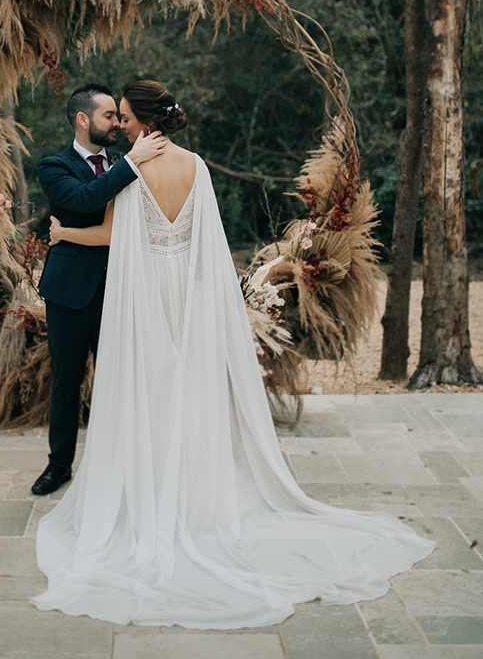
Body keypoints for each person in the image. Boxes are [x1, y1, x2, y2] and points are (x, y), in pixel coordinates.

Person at [31, 80, 434, 628]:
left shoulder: (131, 170)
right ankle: (198, 491)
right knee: (186, 388)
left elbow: (114, 235)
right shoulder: (197, 166)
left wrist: (63, 234)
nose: (118, 124)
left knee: (147, 388)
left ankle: (152, 490)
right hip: (189, 294)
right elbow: (206, 241)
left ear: (141, 121)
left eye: (123, 116)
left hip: (146, 292)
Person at [31, 83, 166, 496]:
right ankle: (59, 466)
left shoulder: (126, 159)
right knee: (66, 383)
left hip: (121, 290)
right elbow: (86, 200)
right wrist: (132, 165)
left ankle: (118, 466)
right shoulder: (53, 166)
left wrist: (132, 162)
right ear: (83, 119)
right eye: (110, 116)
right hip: (69, 294)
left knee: (120, 382)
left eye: (119, 116)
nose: (117, 123)